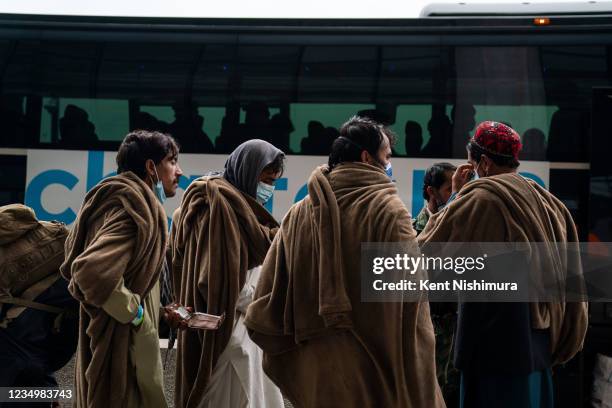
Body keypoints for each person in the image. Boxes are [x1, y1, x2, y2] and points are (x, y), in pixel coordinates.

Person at [244, 116, 445, 408]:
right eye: (387, 157)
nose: (390, 165)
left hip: (317, 370)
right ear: (367, 157)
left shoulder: (300, 211)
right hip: (375, 373)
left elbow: (267, 297)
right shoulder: (388, 210)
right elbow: (411, 308)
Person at [418, 121, 588, 408]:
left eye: (472, 164)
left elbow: (424, 253)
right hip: (540, 342)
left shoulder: (479, 198)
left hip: (492, 349)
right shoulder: (548, 200)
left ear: (483, 163)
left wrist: (457, 195)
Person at [60, 130, 183, 408]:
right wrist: (138, 316)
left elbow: (128, 277)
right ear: (151, 167)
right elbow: (91, 272)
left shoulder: (120, 200)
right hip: (122, 358)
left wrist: (161, 314)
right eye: (172, 161)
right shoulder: (133, 209)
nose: (179, 171)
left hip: (122, 349)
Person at [170, 139, 285, 408]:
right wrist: (271, 297)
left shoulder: (235, 209)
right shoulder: (221, 211)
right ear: (248, 172)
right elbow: (219, 283)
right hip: (229, 337)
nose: (269, 188)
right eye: (265, 179)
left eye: (273, 181)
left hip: (240, 331)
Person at [413, 162, 456, 234]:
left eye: (458, 189)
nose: (456, 195)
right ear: (431, 191)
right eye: (450, 189)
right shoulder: (412, 230)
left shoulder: (461, 224)